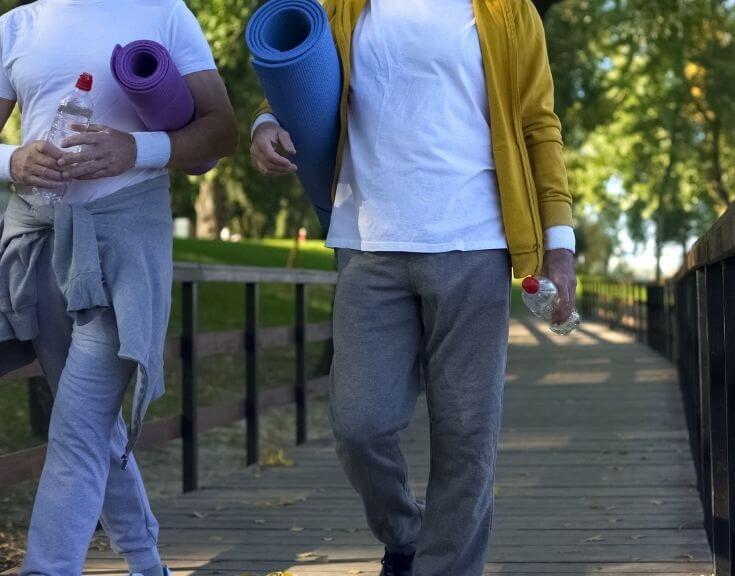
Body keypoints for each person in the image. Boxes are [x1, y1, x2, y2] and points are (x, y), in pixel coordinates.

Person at [250, 0, 576, 574]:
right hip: (368, 243)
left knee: (466, 437)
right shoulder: (341, 7)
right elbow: (299, 77)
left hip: (475, 242)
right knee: (359, 425)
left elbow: (537, 124)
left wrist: (559, 243)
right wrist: (265, 123)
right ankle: (405, 534)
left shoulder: (506, 12)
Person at [0, 1, 237, 575]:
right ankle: (146, 560)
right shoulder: (17, 25)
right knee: (92, 426)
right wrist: (14, 159)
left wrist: (137, 149)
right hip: (40, 243)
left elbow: (220, 131)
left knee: (79, 429)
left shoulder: (164, 12)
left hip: (125, 249)